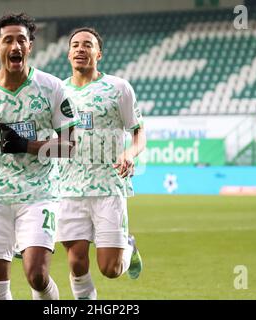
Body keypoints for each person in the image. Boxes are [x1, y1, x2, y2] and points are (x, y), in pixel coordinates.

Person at [0, 13, 78, 300]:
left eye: (22, 39)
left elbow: (70, 145)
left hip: (40, 194)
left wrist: (27, 145)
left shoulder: (53, 88)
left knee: (37, 274)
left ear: (30, 46)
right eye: (8, 40)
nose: (16, 46)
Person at [56, 27, 146, 300]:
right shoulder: (56, 91)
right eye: (75, 45)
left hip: (108, 186)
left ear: (99, 53)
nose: (80, 49)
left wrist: (129, 154)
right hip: (68, 187)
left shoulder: (118, 88)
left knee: (110, 269)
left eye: (87, 45)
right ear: (69, 53)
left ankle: (128, 248)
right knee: (76, 262)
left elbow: (138, 132)